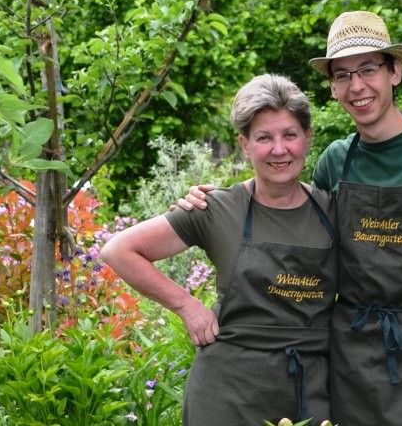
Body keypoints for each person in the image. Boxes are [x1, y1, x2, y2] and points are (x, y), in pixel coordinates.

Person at [179, 11, 402, 425]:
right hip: (352, 368)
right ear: (333, 87)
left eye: (368, 69)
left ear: (396, 71)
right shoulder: (336, 160)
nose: (356, 86)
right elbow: (286, 213)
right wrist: (216, 201)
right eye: (342, 75)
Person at [101, 74, 337, 425]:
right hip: (227, 394)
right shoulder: (217, 209)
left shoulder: (332, 211)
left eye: (290, 134)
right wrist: (187, 306)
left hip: (308, 391)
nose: (279, 149)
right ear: (244, 144)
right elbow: (119, 249)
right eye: (263, 138)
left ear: (307, 138)